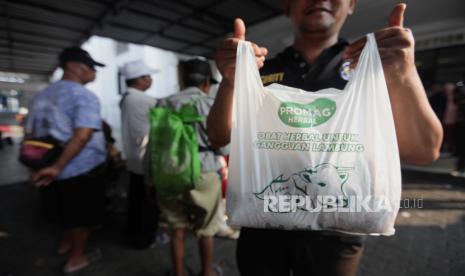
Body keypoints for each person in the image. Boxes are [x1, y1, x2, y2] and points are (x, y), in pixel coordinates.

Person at [208, 1, 443, 275]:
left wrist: (404, 72)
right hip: (264, 221)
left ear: (352, 4)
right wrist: (230, 81)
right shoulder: (259, 70)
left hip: (340, 228)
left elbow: (425, 150)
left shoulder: (373, 69)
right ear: (287, 6)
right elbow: (218, 136)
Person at [25, 47, 107, 273]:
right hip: (80, 169)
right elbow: (83, 135)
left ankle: (66, 243)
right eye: (90, 67)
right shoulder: (83, 95)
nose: (94, 72)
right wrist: (57, 166)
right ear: (72, 66)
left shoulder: (41, 95)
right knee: (81, 215)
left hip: (49, 168)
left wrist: (42, 167)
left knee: (62, 210)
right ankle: (76, 258)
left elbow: (31, 134)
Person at [156, 58, 224, 276]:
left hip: (168, 172)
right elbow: (224, 147)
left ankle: (179, 273)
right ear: (206, 82)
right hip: (203, 172)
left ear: (182, 81)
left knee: (176, 226)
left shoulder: (162, 103)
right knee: (206, 230)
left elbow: (156, 144)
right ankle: (206, 272)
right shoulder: (212, 103)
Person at [120, 60, 160, 248]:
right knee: (147, 204)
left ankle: (132, 235)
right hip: (146, 161)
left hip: (134, 159)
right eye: (148, 77)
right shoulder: (143, 100)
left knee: (136, 202)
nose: (151, 80)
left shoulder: (126, 97)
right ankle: (144, 239)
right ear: (140, 79)